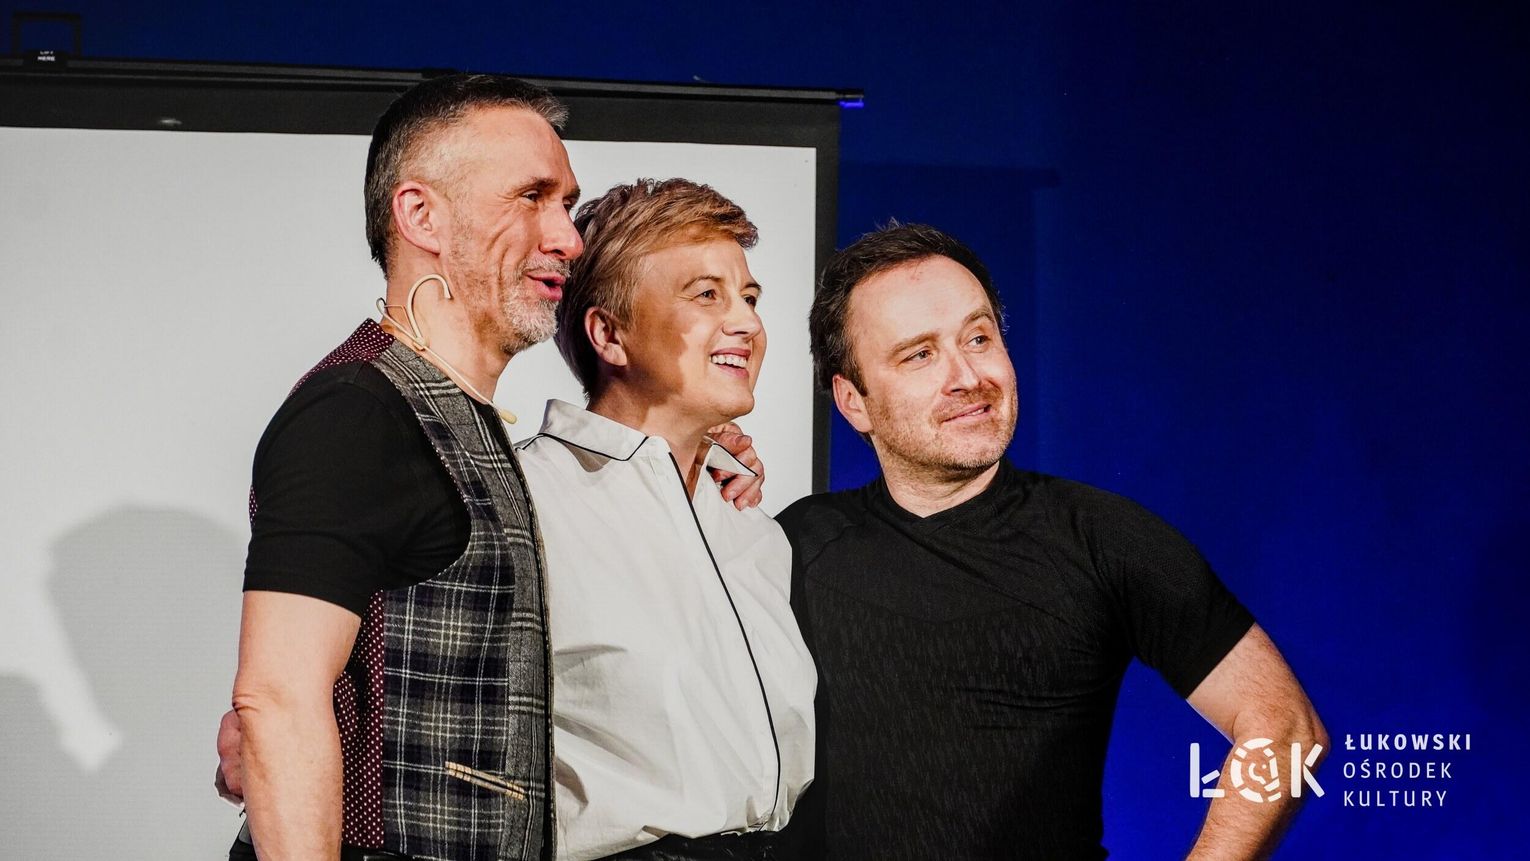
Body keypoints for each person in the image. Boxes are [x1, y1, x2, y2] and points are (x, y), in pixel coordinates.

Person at [224, 76, 762, 861]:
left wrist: (688, 470)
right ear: (422, 216)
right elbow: (276, 698)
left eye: (565, 204)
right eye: (532, 198)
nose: (568, 238)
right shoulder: (357, 409)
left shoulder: (463, 421)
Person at [777, 223, 1327, 860]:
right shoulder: (793, 547)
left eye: (979, 337)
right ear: (854, 401)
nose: (968, 376)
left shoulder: (1103, 539)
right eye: (919, 355)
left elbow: (1286, 731)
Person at [517, 177, 815, 859]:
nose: (746, 323)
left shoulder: (754, 526)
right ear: (609, 334)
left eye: (749, 297)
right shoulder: (526, 501)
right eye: (705, 294)